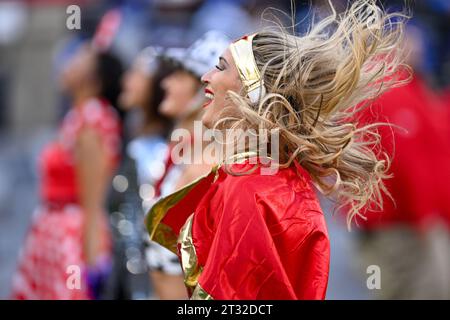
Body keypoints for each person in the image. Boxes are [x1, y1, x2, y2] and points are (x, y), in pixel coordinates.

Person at [146, 0, 408, 299]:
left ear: (250, 89)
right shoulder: (278, 176)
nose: (206, 77)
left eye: (220, 67)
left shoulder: (246, 186)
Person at [11, 43, 123, 300]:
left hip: (70, 241)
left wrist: (94, 265)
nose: (66, 63)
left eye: (78, 59)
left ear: (93, 79)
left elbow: (93, 202)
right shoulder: (76, 117)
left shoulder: (93, 120)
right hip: (51, 235)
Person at [145, 31, 229, 299]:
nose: (166, 83)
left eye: (179, 76)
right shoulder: (185, 152)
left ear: (204, 93)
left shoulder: (207, 165)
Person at [104, 47, 173, 299]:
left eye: (137, 73)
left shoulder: (156, 153)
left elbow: (144, 236)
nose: (126, 79)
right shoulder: (133, 135)